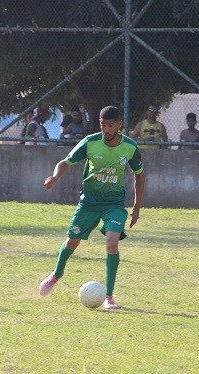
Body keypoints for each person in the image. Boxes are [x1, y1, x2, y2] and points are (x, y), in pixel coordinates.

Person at [38, 105, 145, 310]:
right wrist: (54, 177)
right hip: (89, 203)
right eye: (103, 125)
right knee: (72, 241)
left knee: (112, 242)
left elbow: (139, 177)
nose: (106, 129)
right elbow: (65, 162)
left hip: (113, 204)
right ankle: (56, 275)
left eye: (111, 125)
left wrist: (136, 207)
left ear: (119, 125)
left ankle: (109, 297)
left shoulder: (130, 147)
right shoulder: (90, 142)